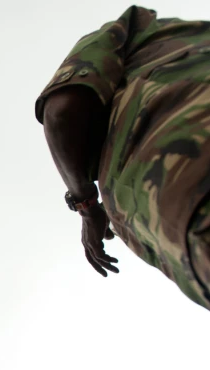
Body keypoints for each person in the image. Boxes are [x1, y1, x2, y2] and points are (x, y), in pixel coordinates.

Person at [37, 6, 210, 310]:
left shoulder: (129, 31)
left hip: (190, 174)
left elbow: (62, 111)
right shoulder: (191, 38)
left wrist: (87, 206)